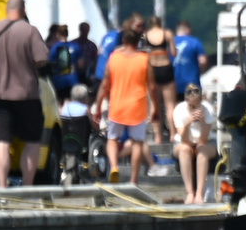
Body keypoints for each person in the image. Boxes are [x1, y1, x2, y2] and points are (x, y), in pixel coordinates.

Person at [0, 0, 50, 187]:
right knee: (32, 141)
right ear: (23, 9)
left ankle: (2, 186)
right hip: (26, 94)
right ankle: (27, 186)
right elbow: (42, 60)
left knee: (2, 141)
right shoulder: (30, 31)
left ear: (7, 9)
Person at [93, 27, 152, 183]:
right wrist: (155, 109)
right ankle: (133, 179)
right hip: (137, 106)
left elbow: (104, 85)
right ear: (138, 42)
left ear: (124, 41)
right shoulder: (144, 59)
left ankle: (114, 167)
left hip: (117, 106)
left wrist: (98, 107)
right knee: (137, 142)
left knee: (112, 139)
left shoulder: (114, 58)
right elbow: (152, 86)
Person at [173, 84, 215, 204]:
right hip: (183, 141)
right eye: (191, 105)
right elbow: (184, 139)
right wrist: (188, 123)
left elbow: (203, 140)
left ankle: (199, 194)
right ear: (187, 102)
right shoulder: (179, 110)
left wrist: (202, 122)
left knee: (202, 149)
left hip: (205, 141)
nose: (194, 108)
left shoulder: (208, 110)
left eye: (196, 105)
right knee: (185, 149)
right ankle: (190, 193)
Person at [141, 16, 178, 142]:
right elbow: (174, 52)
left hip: (153, 70)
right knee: (170, 106)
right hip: (166, 68)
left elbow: (143, 53)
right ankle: (173, 134)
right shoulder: (167, 33)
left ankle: (158, 136)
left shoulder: (146, 35)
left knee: (154, 104)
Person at [46, 24, 79, 102]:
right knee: (71, 101)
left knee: (60, 102)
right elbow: (81, 65)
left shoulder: (55, 48)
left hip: (59, 80)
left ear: (58, 35)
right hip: (73, 79)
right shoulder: (75, 47)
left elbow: (50, 62)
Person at [172, 21, 205, 96]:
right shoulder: (195, 42)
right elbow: (203, 61)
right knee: (194, 106)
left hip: (174, 84)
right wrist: (200, 72)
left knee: (176, 107)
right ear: (188, 30)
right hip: (192, 83)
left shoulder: (171, 43)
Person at [70, 22, 100, 88]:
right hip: (75, 75)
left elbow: (95, 61)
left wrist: (94, 74)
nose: (84, 32)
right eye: (83, 30)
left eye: (86, 30)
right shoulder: (73, 44)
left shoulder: (92, 46)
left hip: (88, 76)